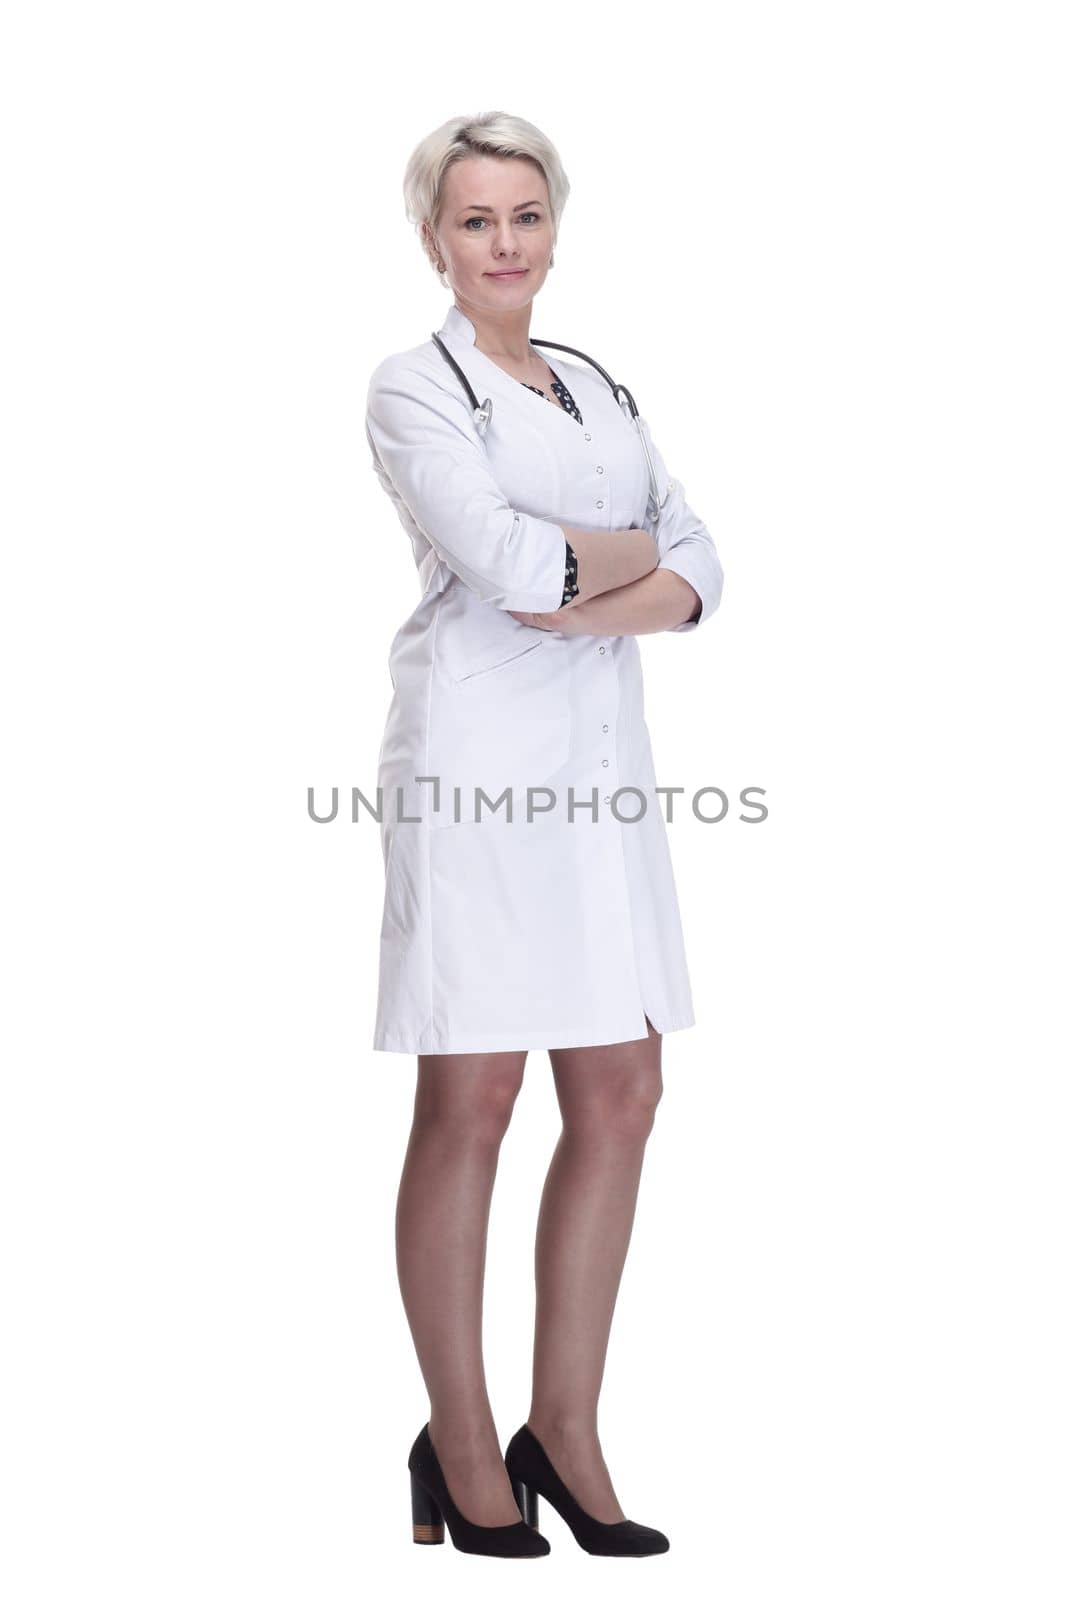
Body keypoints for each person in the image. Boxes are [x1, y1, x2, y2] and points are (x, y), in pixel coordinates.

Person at [363, 112, 725, 1558]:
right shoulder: (412, 387)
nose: (503, 243)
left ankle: (562, 1432)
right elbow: (509, 567)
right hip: (475, 770)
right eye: (474, 221)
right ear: (435, 239)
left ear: (553, 231)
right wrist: (622, 566)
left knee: (624, 1091)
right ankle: (459, 1444)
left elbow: (707, 568)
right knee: (474, 1103)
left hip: (600, 773)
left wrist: (612, 574)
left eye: (523, 216)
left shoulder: (596, 384)